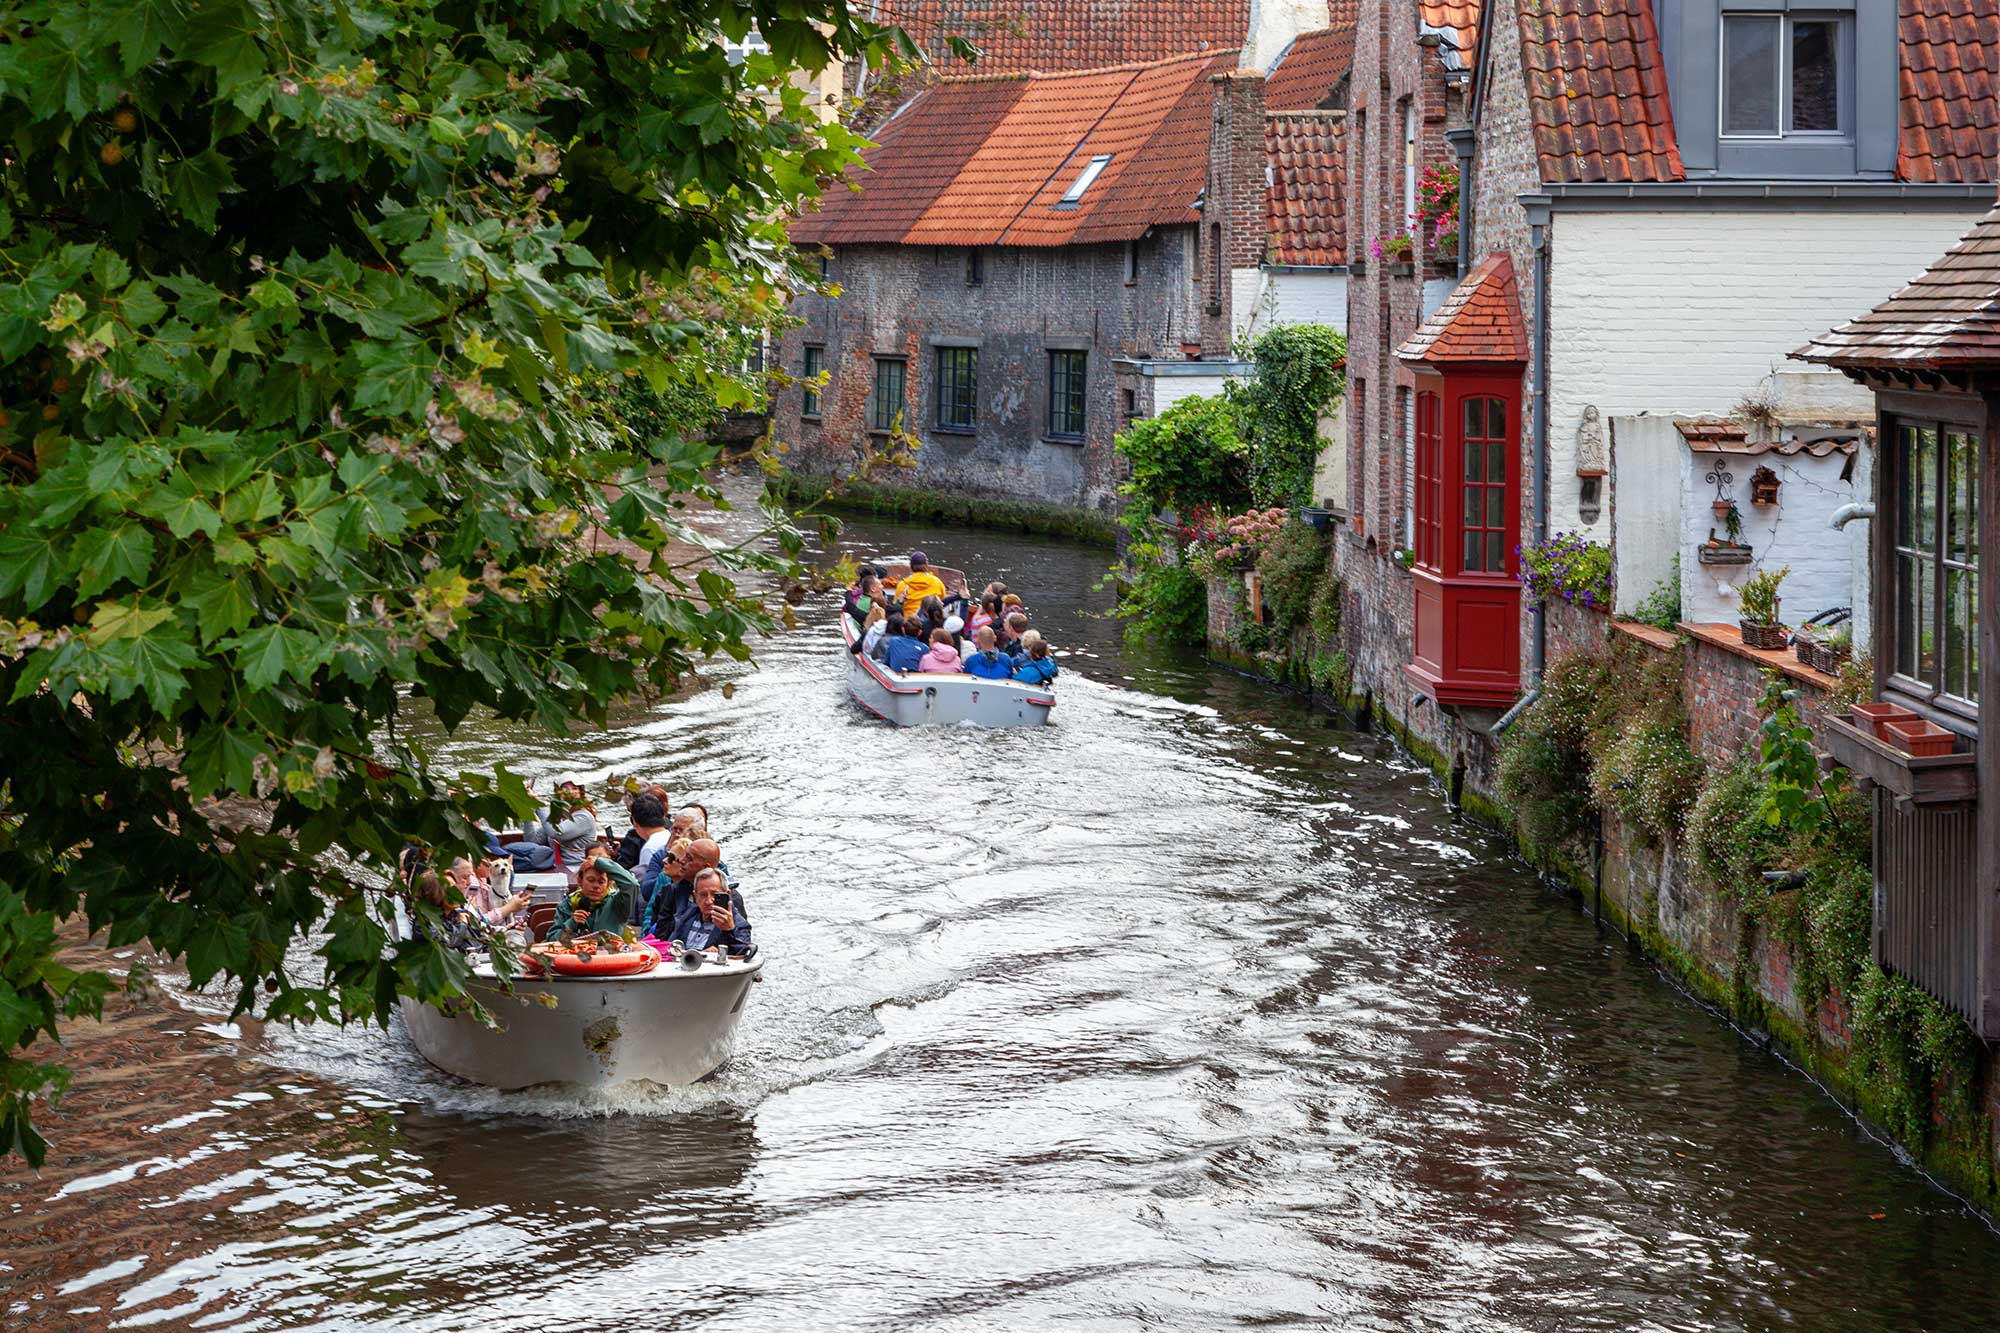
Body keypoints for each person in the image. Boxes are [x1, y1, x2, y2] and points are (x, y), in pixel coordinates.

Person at [642, 836, 725, 938]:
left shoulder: (729, 897)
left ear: (706, 868)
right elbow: (661, 934)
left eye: (689, 858)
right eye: (684, 855)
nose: (681, 860)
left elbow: (738, 939)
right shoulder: (670, 892)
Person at [664, 866, 753, 956]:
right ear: (695, 895)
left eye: (715, 895)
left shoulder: (739, 924)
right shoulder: (688, 915)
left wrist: (729, 931)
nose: (708, 901)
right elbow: (671, 945)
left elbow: (742, 953)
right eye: (703, 895)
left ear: (726, 894)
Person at [521, 780, 598, 872]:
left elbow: (556, 833)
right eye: (565, 789)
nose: (570, 792)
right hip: (554, 866)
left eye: (574, 788)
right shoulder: (558, 817)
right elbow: (532, 841)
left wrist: (538, 805)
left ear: (581, 793)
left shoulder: (584, 817)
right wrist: (527, 809)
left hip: (577, 868)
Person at [557, 856, 639, 937]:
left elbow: (631, 885)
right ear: (580, 881)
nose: (596, 886)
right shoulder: (566, 905)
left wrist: (600, 863)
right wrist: (571, 924)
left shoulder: (617, 903)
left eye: (601, 882)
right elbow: (552, 939)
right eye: (591, 880)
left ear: (608, 884)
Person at [410, 872, 488, 953]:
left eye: (455, 887)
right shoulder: (424, 923)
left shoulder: (464, 914)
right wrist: (462, 924)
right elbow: (445, 944)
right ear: (433, 893)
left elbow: (484, 940)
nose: (456, 892)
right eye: (449, 889)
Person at [618, 791, 671, 878]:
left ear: (634, 822)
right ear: (663, 816)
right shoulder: (670, 836)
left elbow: (647, 880)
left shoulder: (649, 849)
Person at [886, 550, 947, 618]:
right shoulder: (937, 582)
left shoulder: (903, 585)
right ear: (926, 564)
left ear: (911, 566)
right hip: (931, 619)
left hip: (909, 623)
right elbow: (942, 600)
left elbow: (896, 606)